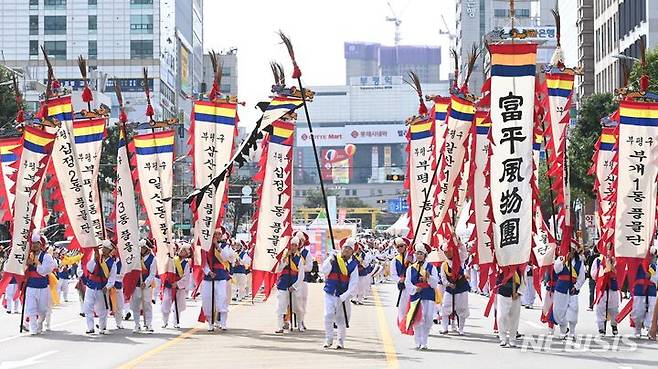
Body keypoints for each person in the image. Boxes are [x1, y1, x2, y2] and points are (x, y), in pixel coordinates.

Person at [321, 237, 359, 349]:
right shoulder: (334, 259)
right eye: (344, 248)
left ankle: (340, 341)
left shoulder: (353, 265)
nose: (346, 250)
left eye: (349, 249)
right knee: (328, 315)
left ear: (352, 251)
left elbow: (353, 283)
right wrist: (330, 259)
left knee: (341, 319)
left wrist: (345, 295)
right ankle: (328, 339)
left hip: (343, 295)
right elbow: (324, 270)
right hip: (330, 292)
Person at [403, 243, 439, 350]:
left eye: (421, 254)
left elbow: (435, 283)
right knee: (418, 319)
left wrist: (429, 277)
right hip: (416, 296)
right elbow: (407, 282)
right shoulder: (411, 268)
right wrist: (414, 289)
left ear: (425, 255)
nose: (419, 256)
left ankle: (425, 340)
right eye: (417, 253)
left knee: (428, 318)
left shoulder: (431, 267)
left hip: (428, 295)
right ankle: (418, 341)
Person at [200, 229, 235, 331]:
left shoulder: (225, 246)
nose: (216, 236)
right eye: (215, 234)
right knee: (207, 299)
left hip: (221, 275)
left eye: (219, 234)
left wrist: (217, 246)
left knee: (222, 297)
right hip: (209, 276)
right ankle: (210, 323)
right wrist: (208, 272)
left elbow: (226, 258)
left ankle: (223, 322)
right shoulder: (206, 247)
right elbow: (203, 262)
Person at [82, 240, 117, 334]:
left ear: (110, 251)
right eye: (104, 248)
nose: (104, 250)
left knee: (102, 310)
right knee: (87, 307)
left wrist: (107, 287)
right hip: (91, 285)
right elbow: (89, 269)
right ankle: (90, 328)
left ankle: (102, 327)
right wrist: (95, 260)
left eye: (107, 249)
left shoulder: (112, 263)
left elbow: (112, 278)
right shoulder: (97, 258)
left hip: (102, 288)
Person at [24, 232, 56, 335]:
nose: (34, 245)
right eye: (33, 243)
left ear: (40, 244)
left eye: (36, 243)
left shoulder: (46, 257)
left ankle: (40, 323)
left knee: (42, 309)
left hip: (42, 286)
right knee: (31, 308)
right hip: (31, 286)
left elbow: (44, 271)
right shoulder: (27, 256)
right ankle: (33, 329)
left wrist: (35, 263)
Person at [552, 249, 586, 339]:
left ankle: (572, 332)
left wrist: (576, 287)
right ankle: (563, 332)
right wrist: (563, 262)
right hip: (561, 288)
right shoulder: (561, 258)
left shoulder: (579, 261)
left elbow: (582, 277)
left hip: (572, 289)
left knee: (573, 310)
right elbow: (556, 270)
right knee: (560, 310)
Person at [275, 235, 305, 333]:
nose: (293, 247)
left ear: (297, 246)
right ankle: (280, 326)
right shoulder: (284, 256)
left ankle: (300, 324)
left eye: (295, 245)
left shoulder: (300, 258)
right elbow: (278, 269)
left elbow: (301, 275)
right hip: (283, 283)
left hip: (294, 285)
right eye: (291, 245)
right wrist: (284, 262)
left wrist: (295, 286)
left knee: (297, 306)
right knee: (281, 305)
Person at [439, 243, 470, 335]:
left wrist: (459, 243)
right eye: (445, 252)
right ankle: (444, 328)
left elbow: (464, 253)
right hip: (450, 289)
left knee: (462, 308)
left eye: (449, 251)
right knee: (445, 308)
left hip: (461, 288)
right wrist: (448, 284)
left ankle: (461, 329)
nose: (448, 253)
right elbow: (443, 278)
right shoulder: (444, 265)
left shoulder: (459, 260)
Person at [130, 239, 157, 333]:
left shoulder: (152, 259)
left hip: (146, 286)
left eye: (143, 248)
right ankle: (137, 324)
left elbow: (152, 274)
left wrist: (146, 282)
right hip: (136, 285)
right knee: (135, 305)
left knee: (147, 305)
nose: (141, 249)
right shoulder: (136, 258)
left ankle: (149, 323)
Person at [162, 243, 191, 328]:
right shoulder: (172, 259)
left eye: (184, 251)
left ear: (187, 254)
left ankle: (176, 322)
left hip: (178, 286)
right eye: (181, 249)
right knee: (166, 302)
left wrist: (178, 284)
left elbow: (186, 277)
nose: (181, 251)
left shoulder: (186, 264)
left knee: (178, 305)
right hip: (170, 284)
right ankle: (165, 321)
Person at [630, 247, 657, 338]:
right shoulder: (636, 262)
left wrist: (651, 275)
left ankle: (650, 328)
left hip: (652, 288)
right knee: (637, 310)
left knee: (652, 310)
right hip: (639, 288)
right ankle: (637, 328)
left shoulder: (655, 265)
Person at [591, 252, 619, 336]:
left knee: (614, 308)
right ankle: (601, 328)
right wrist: (603, 272)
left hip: (612, 287)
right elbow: (593, 274)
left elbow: (620, 273)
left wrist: (612, 266)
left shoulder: (616, 259)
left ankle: (614, 324)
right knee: (600, 308)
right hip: (601, 288)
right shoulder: (598, 260)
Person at [496, 267, 524, 347]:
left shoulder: (520, 265)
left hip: (516, 295)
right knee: (502, 316)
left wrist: (518, 293)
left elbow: (523, 279)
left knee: (514, 317)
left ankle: (512, 338)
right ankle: (503, 338)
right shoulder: (501, 262)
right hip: (503, 292)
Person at [390, 237, 410, 331]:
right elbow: (393, 274)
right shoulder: (395, 260)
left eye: (401, 246)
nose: (399, 248)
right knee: (402, 306)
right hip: (403, 286)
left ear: (405, 246)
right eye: (397, 247)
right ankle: (403, 325)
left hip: (413, 285)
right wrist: (399, 280)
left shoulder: (412, 257)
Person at [295, 230, 312, 331]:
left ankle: (301, 321)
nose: (299, 242)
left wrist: (299, 268)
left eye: (301, 240)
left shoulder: (306, 253)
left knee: (302, 301)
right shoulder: (290, 252)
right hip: (291, 280)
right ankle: (286, 321)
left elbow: (309, 267)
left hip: (303, 281)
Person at [110, 246, 125, 329]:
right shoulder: (105, 260)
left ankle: (118, 323)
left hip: (117, 287)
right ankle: (102, 325)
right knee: (105, 306)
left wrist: (113, 277)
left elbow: (123, 275)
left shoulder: (121, 262)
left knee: (119, 305)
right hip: (107, 286)